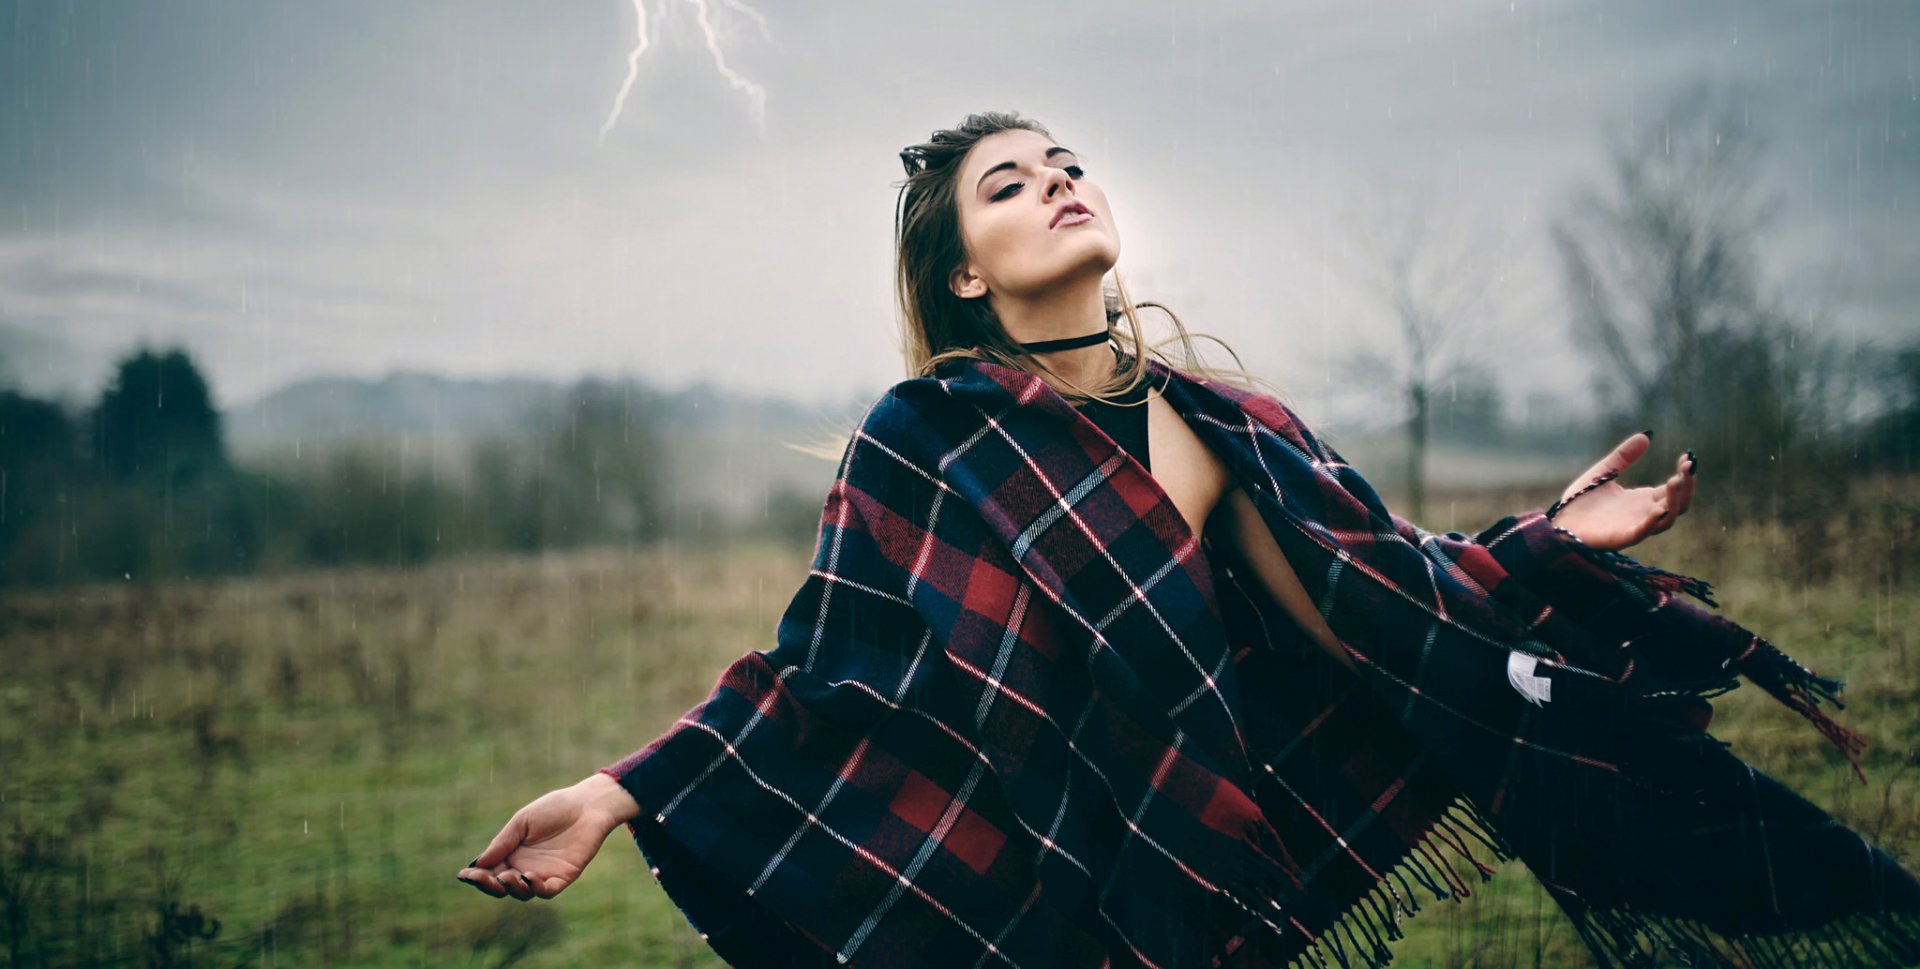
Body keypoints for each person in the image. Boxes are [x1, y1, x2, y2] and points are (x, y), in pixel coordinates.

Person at [455, 113, 1920, 966]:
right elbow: (810, 672)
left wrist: (1546, 544)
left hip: (1181, 861)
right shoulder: (926, 437)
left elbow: (1371, 611)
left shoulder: (1217, 422)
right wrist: (616, 789)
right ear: (965, 269)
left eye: (1066, 161)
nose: (1057, 183)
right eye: (1009, 185)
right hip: (1021, 867)